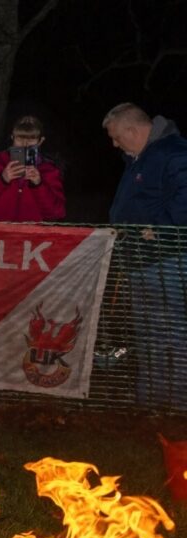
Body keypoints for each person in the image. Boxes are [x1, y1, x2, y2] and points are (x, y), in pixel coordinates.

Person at [102, 102, 187, 408]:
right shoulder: (139, 159)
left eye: (116, 136)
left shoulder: (171, 152)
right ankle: (151, 399)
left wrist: (161, 229)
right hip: (141, 261)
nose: (114, 144)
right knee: (149, 333)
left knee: (172, 332)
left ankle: (176, 404)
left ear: (132, 130)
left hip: (168, 262)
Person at [0, 115, 65, 222]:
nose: (25, 144)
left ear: (41, 141)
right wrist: (1, 179)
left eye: (32, 139)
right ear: (12, 137)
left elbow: (57, 212)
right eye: (20, 138)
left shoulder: (48, 170)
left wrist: (39, 185)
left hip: (29, 236)